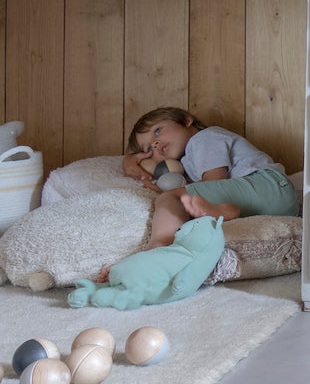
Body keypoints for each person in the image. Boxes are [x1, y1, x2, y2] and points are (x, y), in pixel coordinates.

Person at [108, 106, 300, 280]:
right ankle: (223, 211)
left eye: (158, 130)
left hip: (268, 185)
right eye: (149, 148)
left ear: (186, 119)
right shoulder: (186, 162)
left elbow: (214, 182)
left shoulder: (204, 139)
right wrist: (131, 162)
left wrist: (164, 192)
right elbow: (209, 188)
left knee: (169, 198)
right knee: (182, 201)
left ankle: (156, 249)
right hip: (275, 201)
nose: (156, 144)